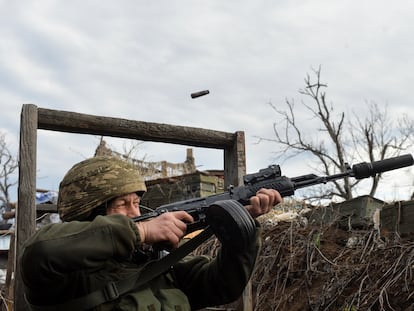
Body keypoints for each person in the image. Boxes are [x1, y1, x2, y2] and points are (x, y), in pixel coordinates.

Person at [20, 156, 282, 311]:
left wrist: (242, 232)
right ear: (89, 213)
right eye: (123, 205)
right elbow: (40, 251)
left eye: (137, 203)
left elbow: (221, 286)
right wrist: (141, 231)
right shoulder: (63, 274)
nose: (135, 214)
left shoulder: (153, 262)